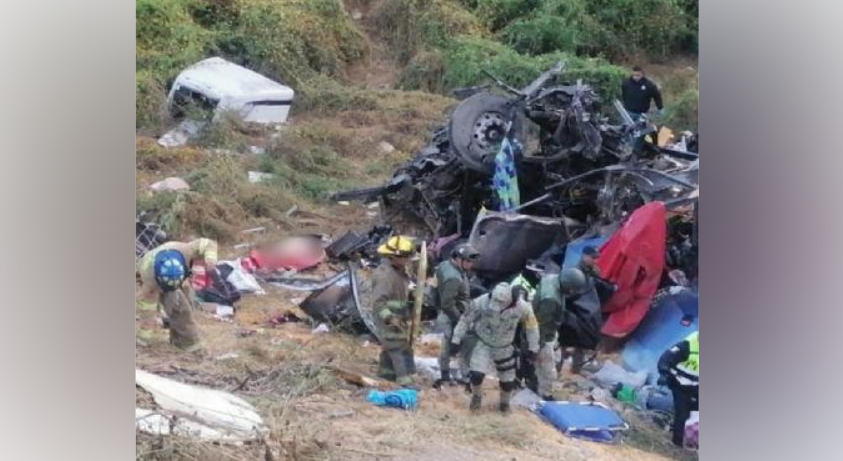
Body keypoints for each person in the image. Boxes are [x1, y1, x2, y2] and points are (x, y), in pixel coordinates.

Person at [452, 283, 539, 414]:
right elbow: (465, 319)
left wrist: (533, 348)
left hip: (504, 346)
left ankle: (504, 403)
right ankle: (476, 396)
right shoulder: (481, 302)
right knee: (476, 375)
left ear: (511, 300)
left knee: (507, 382)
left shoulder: (523, 308)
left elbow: (532, 327)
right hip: (483, 343)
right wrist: (456, 339)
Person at [136, 238, 220, 352]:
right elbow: (147, 310)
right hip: (156, 277)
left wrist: (210, 259)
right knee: (181, 310)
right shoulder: (150, 282)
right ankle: (190, 345)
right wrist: (143, 338)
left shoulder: (185, 250)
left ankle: (178, 338)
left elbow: (208, 243)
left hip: (179, 277)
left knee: (188, 302)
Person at [532, 268, 589, 400]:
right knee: (548, 370)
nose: (573, 292)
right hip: (542, 334)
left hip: (548, 328)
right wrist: (538, 347)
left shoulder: (551, 278)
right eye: (572, 289)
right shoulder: (551, 299)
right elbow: (541, 325)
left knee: (552, 361)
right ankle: (545, 394)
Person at [372, 236, 418, 387]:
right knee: (399, 348)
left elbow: (401, 290)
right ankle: (406, 382)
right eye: (405, 257)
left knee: (389, 349)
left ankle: (386, 377)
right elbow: (379, 302)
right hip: (389, 320)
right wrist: (390, 318)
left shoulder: (398, 271)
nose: (408, 260)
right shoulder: (385, 275)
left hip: (399, 317)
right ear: (393, 257)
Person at [433, 243, 479, 387]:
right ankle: (446, 376)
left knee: (450, 345)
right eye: (468, 261)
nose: (471, 264)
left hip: (449, 311)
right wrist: (459, 319)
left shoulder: (445, 265)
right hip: (451, 315)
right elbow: (447, 303)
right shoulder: (454, 277)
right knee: (449, 345)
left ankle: (448, 374)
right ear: (458, 259)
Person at [658, 331, 699, 447]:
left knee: (696, 412)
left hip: (696, 384)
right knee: (682, 413)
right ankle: (678, 444)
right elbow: (665, 359)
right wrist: (664, 374)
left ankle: (694, 440)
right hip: (679, 382)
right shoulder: (687, 345)